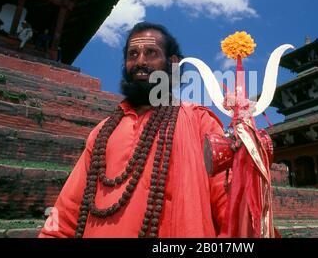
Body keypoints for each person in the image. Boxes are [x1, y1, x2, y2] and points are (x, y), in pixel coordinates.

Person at [39, 22, 228, 238]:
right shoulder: (103, 132)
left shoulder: (200, 122)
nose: (140, 62)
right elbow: (66, 212)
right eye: (132, 54)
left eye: (151, 53)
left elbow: (230, 208)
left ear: (173, 64)